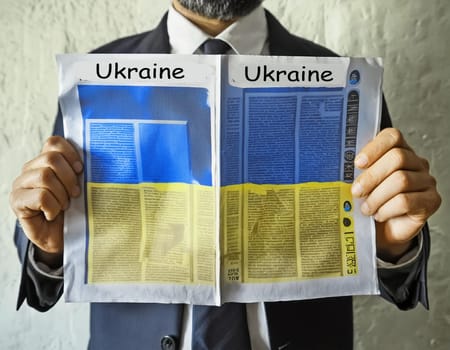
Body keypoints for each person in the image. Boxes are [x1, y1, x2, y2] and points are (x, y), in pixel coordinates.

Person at [9, 1, 441, 349]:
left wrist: (392, 246)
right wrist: (50, 249)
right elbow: (46, 264)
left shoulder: (346, 80)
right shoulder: (95, 76)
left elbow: (393, 273)